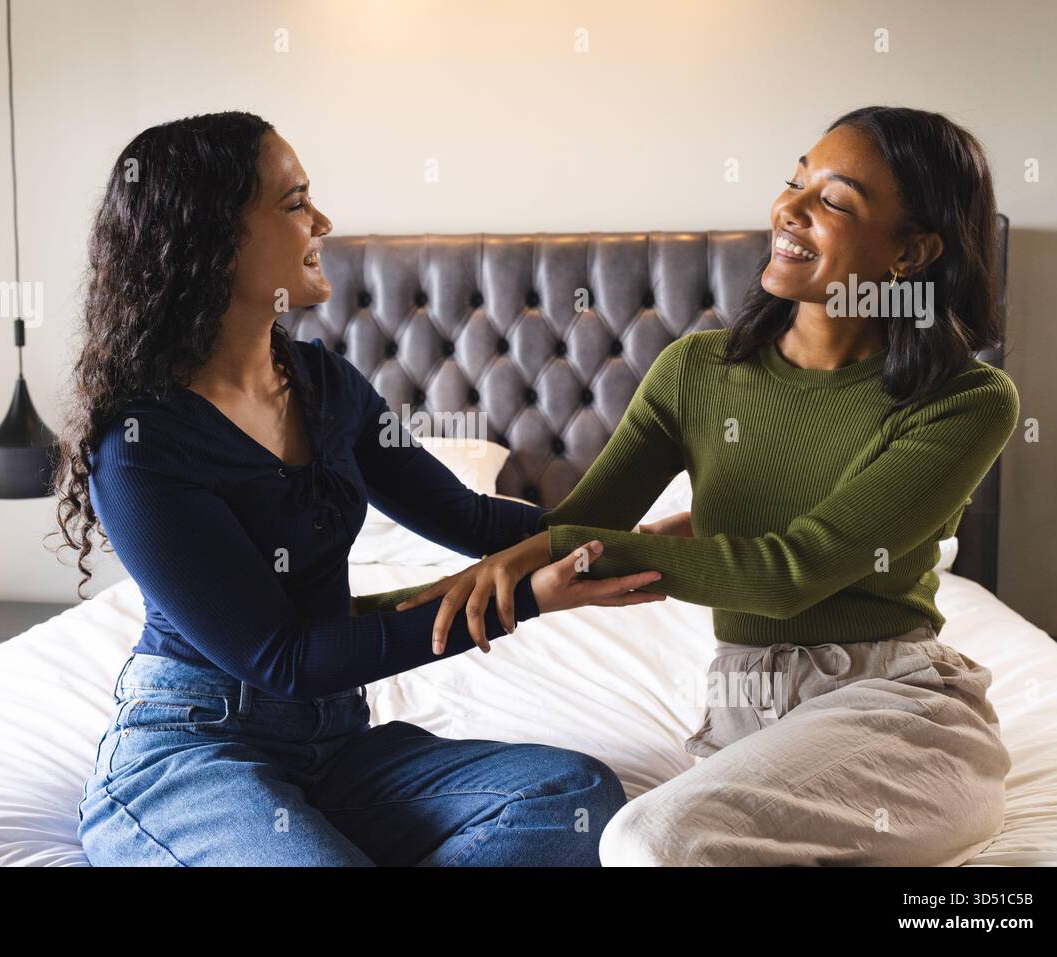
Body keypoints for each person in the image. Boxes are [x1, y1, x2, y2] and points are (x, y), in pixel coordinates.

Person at [378, 106, 1020, 865]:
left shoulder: (966, 400)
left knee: (649, 840)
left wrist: (583, 549)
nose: (789, 208)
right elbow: (566, 532)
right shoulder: (696, 371)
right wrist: (360, 595)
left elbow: (794, 572)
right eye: (795, 181)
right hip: (747, 714)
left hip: (898, 713)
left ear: (912, 252)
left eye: (834, 200)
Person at [51, 111, 667, 866]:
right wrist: (529, 596)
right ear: (212, 237)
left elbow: (469, 517)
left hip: (336, 746)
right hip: (194, 749)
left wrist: (625, 546)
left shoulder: (325, 388)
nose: (323, 221)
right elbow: (285, 657)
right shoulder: (142, 443)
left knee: (573, 797)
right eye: (294, 203)